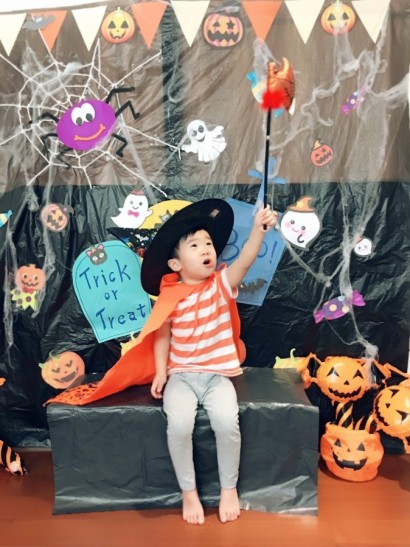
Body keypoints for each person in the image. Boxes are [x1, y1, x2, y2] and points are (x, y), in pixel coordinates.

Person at [144, 198, 278, 525]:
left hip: (217, 377)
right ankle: (188, 491)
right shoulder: (169, 297)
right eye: (194, 245)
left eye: (208, 243)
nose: (206, 248)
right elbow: (162, 335)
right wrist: (161, 372)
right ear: (175, 264)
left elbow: (245, 261)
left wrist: (259, 231)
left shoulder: (220, 285)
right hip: (182, 377)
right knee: (179, 426)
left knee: (227, 423)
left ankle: (228, 488)